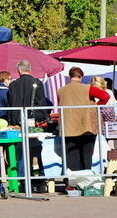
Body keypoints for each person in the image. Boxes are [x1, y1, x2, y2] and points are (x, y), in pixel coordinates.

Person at [7, 60, 49, 192]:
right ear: (29, 69)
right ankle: (41, 180)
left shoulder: (13, 85)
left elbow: (9, 104)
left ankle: (23, 181)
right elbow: (42, 103)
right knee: (37, 152)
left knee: (21, 153)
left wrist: (11, 121)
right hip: (34, 122)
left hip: (17, 123)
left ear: (19, 70)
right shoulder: (37, 83)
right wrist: (41, 117)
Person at [57, 67, 110, 171]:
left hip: (68, 128)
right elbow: (105, 96)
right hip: (87, 128)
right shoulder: (88, 88)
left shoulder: (60, 91)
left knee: (72, 158)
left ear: (69, 76)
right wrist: (96, 107)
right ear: (81, 77)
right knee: (87, 157)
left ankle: (72, 184)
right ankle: (86, 180)